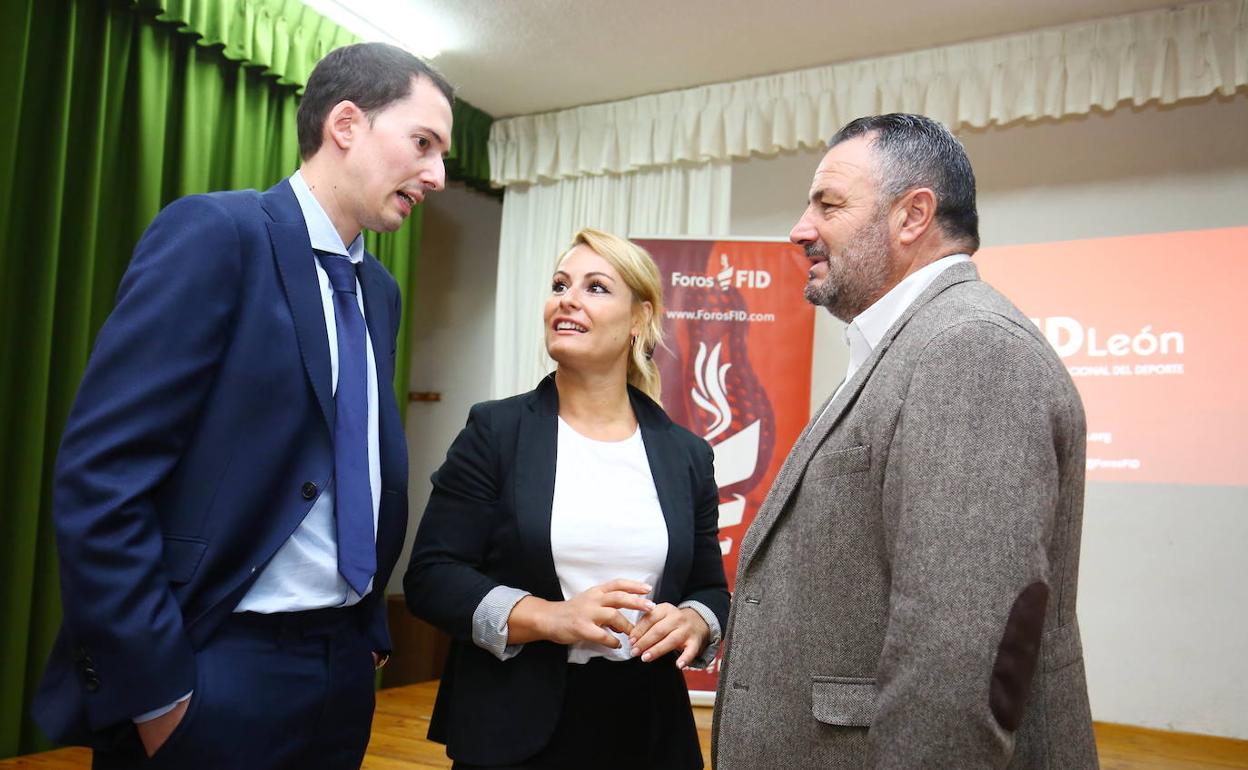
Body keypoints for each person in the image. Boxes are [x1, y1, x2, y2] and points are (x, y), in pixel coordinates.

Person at [33, 42, 453, 769]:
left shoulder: (379, 291)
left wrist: (365, 637)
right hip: (214, 664)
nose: (438, 175)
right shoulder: (215, 235)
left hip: (342, 669)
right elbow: (101, 478)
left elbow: (351, 454)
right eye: (423, 143)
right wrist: (158, 696)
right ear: (346, 124)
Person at [711, 114, 1098, 768]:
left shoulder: (971, 350)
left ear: (913, 215)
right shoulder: (907, 345)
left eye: (828, 204)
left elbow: (956, 662)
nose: (801, 228)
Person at [405, 228, 729, 769]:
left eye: (596, 287)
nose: (567, 299)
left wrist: (695, 621)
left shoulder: (686, 455)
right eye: (560, 285)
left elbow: (708, 589)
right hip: (514, 729)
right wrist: (550, 618)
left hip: (649, 730)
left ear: (640, 319)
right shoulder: (496, 431)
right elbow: (432, 577)